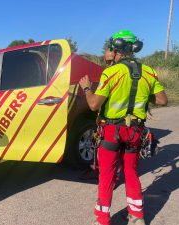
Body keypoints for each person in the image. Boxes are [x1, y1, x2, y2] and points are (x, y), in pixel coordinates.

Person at [78, 30, 168, 225]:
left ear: (117, 49)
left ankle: (102, 220)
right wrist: (140, 96)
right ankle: (137, 216)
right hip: (135, 132)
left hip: (112, 131)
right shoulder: (149, 72)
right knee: (131, 172)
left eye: (111, 47)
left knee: (107, 176)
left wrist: (86, 88)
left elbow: (94, 104)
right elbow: (162, 100)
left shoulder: (111, 73)